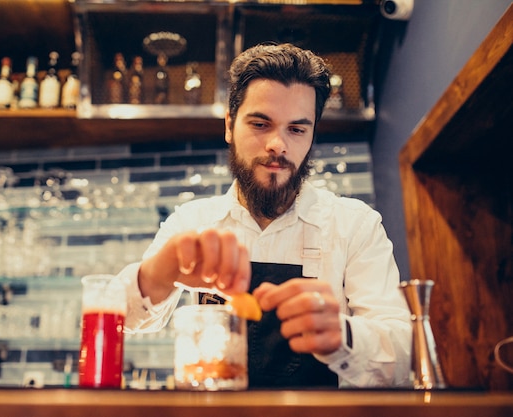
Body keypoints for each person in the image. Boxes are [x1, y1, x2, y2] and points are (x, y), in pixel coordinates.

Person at [115, 43, 411, 388]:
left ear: (313, 134)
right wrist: (153, 278)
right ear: (229, 125)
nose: (278, 145)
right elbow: (116, 319)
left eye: (297, 129)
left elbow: (405, 355)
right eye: (260, 123)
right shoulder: (191, 222)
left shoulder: (355, 225)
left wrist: (343, 334)